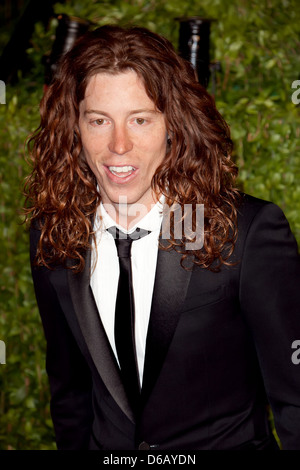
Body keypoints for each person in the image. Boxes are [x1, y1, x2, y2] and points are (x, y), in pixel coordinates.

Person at [25, 24, 300, 451]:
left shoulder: (241, 232)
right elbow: (70, 391)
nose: (119, 145)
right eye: (99, 120)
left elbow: (295, 397)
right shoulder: (56, 232)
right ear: (73, 128)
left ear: (173, 124)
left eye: (140, 119)